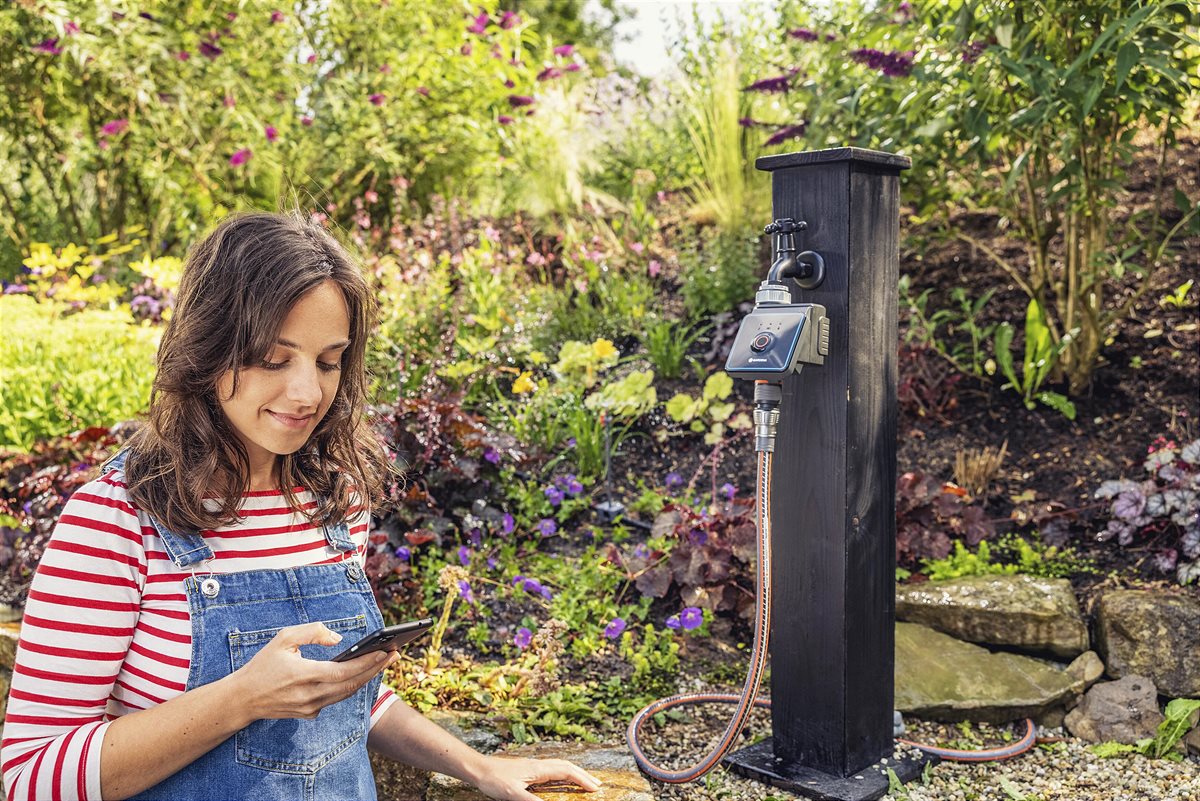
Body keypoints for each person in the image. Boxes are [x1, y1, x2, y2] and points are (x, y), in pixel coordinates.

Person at [0, 212, 602, 801]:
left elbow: (338, 698)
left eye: (329, 361)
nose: (308, 392)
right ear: (208, 349)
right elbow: (29, 775)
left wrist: (477, 767)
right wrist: (240, 700)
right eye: (273, 359)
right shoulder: (115, 520)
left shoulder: (335, 502)